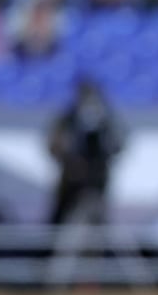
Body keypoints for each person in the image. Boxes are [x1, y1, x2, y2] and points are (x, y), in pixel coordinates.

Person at [46, 78, 124, 226]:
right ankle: (48, 248)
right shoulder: (67, 119)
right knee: (60, 219)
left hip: (98, 177)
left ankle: (103, 248)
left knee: (99, 220)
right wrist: (70, 159)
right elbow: (53, 146)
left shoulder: (106, 120)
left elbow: (118, 145)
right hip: (71, 178)